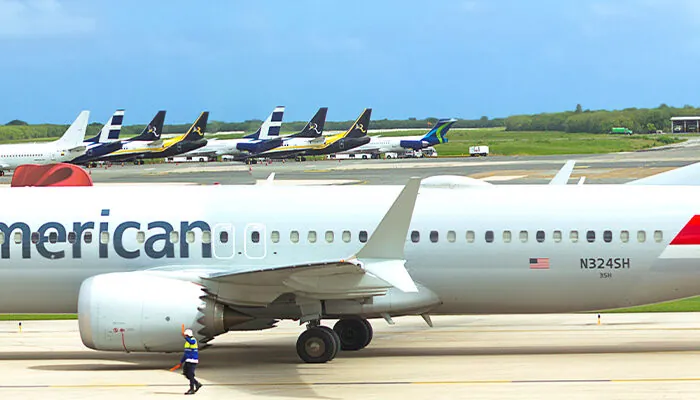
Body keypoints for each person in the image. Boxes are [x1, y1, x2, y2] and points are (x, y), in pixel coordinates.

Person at [181, 329, 202, 395]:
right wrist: (181, 361)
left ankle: (192, 389)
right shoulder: (187, 342)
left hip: (192, 360)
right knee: (186, 374)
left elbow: (191, 342)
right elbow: (186, 352)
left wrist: (185, 337)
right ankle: (196, 383)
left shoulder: (193, 340)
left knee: (190, 374)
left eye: (186, 335)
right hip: (188, 360)